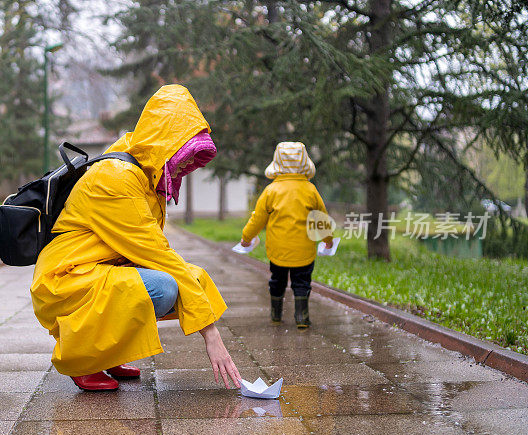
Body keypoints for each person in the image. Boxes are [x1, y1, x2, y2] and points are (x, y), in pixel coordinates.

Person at [30, 84, 242, 391]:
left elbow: (151, 253)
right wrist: (212, 336)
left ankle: (108, 351)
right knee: (165, 287)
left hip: (97, 270)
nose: (186, 165)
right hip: (67, 277)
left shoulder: (144, 174)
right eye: (185, 152)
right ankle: (84, 358)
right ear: (165, 140)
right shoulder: (117, 178)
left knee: (195, 279)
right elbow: (157, 254)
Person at [240, 142, 333, 328]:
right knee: (302, 282)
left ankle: (276, 314)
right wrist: (328, 241)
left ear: (277, 162)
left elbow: (257, 219)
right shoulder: (310, 190)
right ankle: (302, 317)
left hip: (278, 249)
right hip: (304, 249)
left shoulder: (271, 191)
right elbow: (321, 219)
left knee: (277, 280)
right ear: (305, 162)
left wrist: (246, 237)